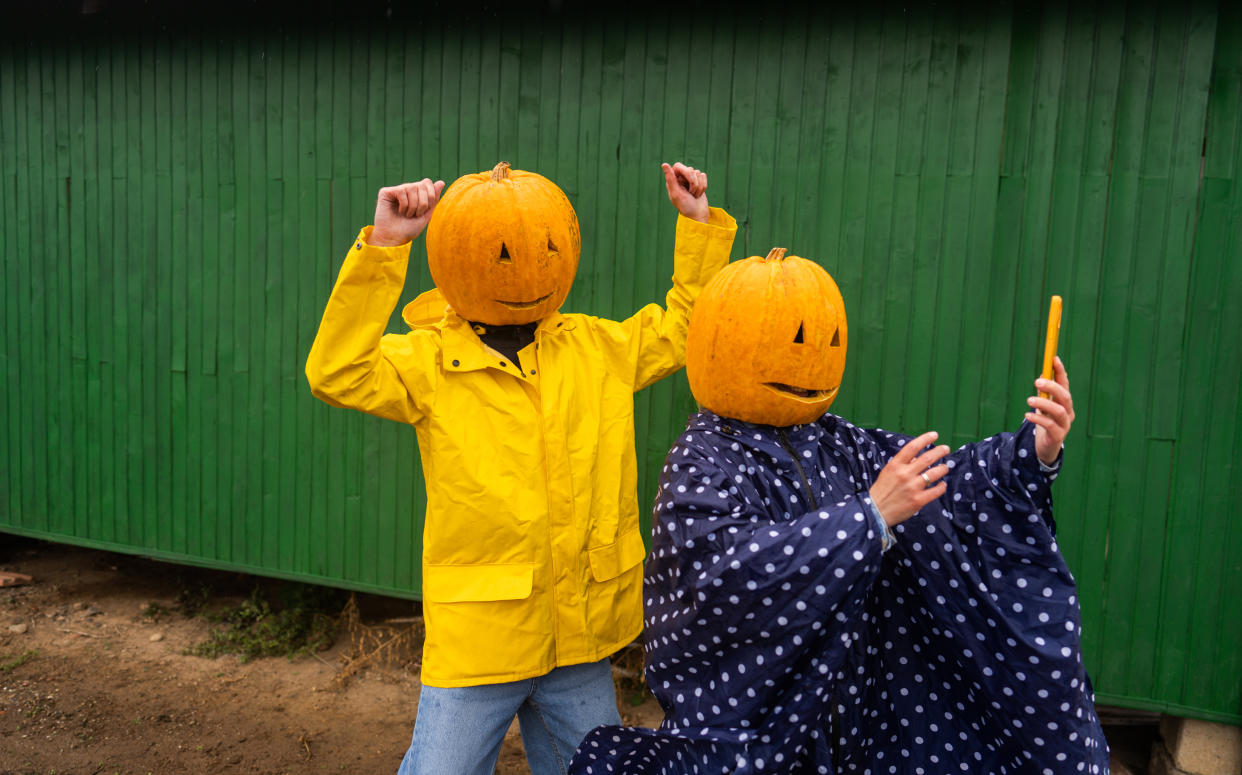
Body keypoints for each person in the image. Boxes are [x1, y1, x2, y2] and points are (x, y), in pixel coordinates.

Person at [570, 248, 1109, 774]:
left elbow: (946, 480)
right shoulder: (701, 460)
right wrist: (868, 519)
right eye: (796, 339)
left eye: (828, 339)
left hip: (849, 716)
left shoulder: (834, 441)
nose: (811, 356)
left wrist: (1034, 452)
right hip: (758, 727)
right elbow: (732, 571)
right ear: (717, 341)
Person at [305, 162, 737, 774]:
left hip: (577, 642)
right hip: (480, 645)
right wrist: (385, 248)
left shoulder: (596, 351)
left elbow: (688, 329)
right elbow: (336, 371)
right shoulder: (430, 363)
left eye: (549, 247)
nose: (529, 268)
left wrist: (697, 226)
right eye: (504, 253)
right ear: (454, 256)